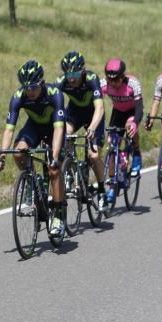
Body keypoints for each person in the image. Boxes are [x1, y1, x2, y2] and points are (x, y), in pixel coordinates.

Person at [0, 60, 66, 236]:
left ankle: (58, 215)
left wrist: (54, 156)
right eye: (26, 87)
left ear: (41, 83)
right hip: (33, 126)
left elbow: (58, 128)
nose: (30, 91)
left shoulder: (54, 94)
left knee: (53, 169)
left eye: (33, 87)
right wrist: (2, 156)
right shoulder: (19, 96)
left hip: (53, 129)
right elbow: (9, 130)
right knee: (18, 153)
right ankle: (32, 182)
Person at [56, 51, 107, 210]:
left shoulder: (92, 79)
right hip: (75, 113)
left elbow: (100, 107)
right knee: (63, 136)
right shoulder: (61, 82)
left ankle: (102, 190)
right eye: (68, 73)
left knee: (93, 156)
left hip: (93, 115)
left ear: (83, 70)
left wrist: (92, 127)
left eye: (76, 73)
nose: (71, 78)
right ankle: (71, 167)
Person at [101, 58, 143, 203]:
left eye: (116, 80)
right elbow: (95, 104)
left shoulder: (133, 83)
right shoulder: (104, 84)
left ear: (122, 76)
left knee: (130, 126)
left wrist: (135, 123)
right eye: (109, 79)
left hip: (132, 112)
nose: (112, 83)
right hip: (118, 112)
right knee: (112, 144)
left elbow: (139, 108)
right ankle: (112, 185)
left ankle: (136, 153)